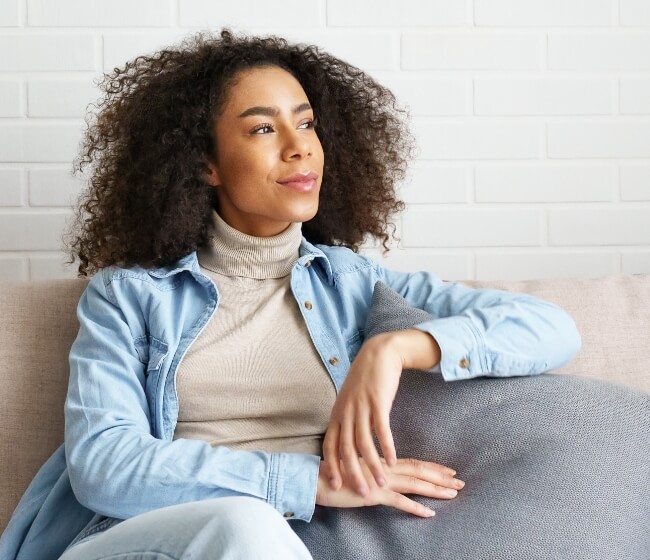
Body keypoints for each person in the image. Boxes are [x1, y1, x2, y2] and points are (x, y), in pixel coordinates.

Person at [0, 28, 581, 560]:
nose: (298, 146)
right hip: (148, 543)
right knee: (244, 526)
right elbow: (106, 467)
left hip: (295, 546)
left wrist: (397, 349)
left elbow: (553, 329)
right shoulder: (128, 298)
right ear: (207, 163)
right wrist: (308, 482)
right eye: (262, 129)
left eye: (305, 124)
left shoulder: (352, 283)